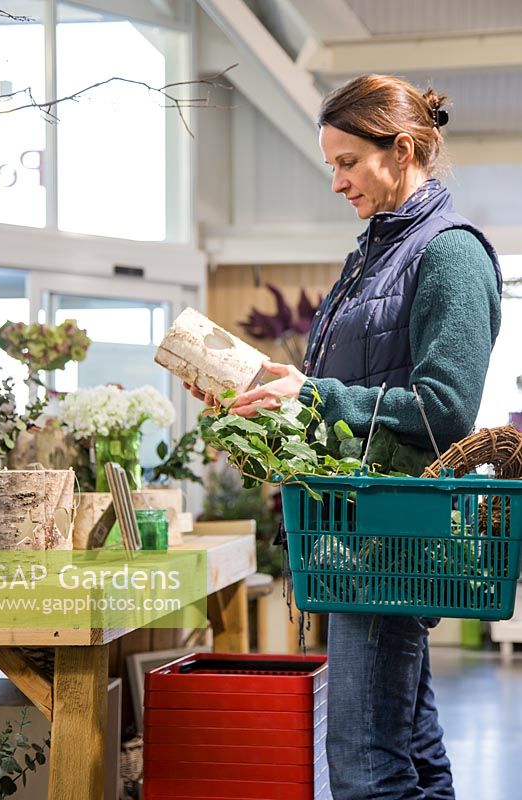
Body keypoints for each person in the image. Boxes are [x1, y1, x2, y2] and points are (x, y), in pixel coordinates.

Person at [187, 74, 502, 799]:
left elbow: (445, 408)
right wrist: (266, 388)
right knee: (410, 758)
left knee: (365, 768)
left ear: (402, 149)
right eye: (331, 163)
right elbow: (346, 397)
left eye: (347, 162)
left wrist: (317, 392)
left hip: (394, 539)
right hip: (361, 533)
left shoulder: (450, 254)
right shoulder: (373, 255)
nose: (336, 181)